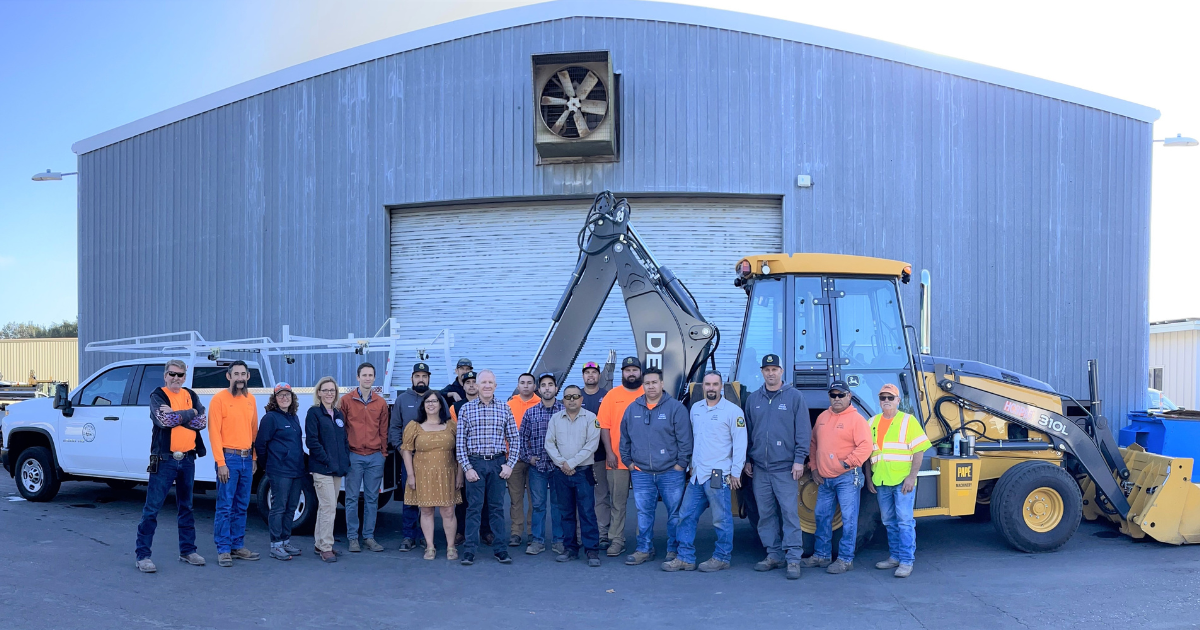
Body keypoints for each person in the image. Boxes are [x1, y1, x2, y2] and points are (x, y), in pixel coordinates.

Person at [664, 370, 746, 573]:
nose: (711, 388)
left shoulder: (733, 411)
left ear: (721, 386)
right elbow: (695, 439)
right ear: (702, 387)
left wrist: (736, 472)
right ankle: (685, 557)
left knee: (721, 519)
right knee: (685, 515)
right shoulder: (696, 409)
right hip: (698, 474)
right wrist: (692, 465)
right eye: (707, 384)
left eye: (715, 384)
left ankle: (722, 556)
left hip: (719, 474)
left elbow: (740, 443)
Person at [135, 360, 208, 573]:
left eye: (180, 375)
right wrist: (190, 412)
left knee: (186, 507)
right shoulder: (157, 396)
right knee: (152, 509)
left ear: (185, 377)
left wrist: (180, 413)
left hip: (187, 459)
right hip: (165, 460)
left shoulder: (190, 395)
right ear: (165, 376)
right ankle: (143, 556)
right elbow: (164, 421)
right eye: (172, 374)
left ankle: (188, 551)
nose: (176, 378)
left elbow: (202, 422)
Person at [743, 353, 811, 580]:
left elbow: (803, 431)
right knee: (766, 514)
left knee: (790, 513)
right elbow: (748, 433)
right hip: (761, 469)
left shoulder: (794, 397)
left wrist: (799, 460)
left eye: (774, 369)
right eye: (767, 370)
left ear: (781, 371)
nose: (771, 373)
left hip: (785, 469)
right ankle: (774, 554)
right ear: (762, 372)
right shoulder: (753, 399)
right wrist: (747, 459)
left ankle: (793, 559)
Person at [619, 367, 692, 566]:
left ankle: (673, 549)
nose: (651, 386)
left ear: (662, 384)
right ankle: (644, 549)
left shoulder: (676, 408)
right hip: (641, 472)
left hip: (671, 472)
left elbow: (685, 440)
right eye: (647, 383)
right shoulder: (632, 409)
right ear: (643, 385)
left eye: (654, 382)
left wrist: (680, 465)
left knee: (674, 513)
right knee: (644, 513)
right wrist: (629, 463)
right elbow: (624, 438)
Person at [804, 379, 872, 574]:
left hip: (847, 478)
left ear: (849, 396)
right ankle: (822, 555)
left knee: (849, 519)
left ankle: (845, 559)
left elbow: (866, 446)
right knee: (821, 516)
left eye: (841, 395)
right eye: (833, 395)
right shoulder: (823, 417)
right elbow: (813, 443)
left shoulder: (857, 419)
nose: (837, 398)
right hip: (824, 479)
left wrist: (847, 463)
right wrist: (815, 467)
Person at [456, 369, 520, 565]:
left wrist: (509, 465)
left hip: (497, 463)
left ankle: (500, 549)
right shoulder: (466, 409)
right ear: (476, 385)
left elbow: (514, 440)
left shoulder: (504, 408)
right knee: (473, 508)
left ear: (495, 386)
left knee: (496, 508)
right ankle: (469, 550)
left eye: (490, 382)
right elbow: (460, 442)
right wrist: (467, 468)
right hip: (475, 463)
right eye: (483, 382)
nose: (486, 385)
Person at [866, 384, 930, 578]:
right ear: (879, 400)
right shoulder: (872, 422)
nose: (886, 401)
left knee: (904, 521)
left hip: (903, 482)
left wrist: (911, 477)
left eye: (890, 397)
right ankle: (894, 557)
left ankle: (906, 561)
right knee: (888, 521)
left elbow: (919, 450)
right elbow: (868, 455)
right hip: (882, 481)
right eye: (883, 397)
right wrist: (869, 479)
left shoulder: (908, 421)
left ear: (898, 400)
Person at [208, 360, 261, 567]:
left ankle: (237, 546)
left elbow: (254, 431)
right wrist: (220, 462)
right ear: (228, 377)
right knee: (225, 506)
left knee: (242, 504)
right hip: (228, 459)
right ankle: (223, 549)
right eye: (236, 374)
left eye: (243, 374)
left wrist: (254, 458)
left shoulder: (251, 400)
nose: (240, 377)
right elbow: (214, 433)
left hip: (247, 459)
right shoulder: (219, 400)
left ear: (248, 377)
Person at [401, 390, 464, 561]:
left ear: (440, 404)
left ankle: (451, 547)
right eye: (427, 402)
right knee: (426, 510)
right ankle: (430, 547)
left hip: (447, 473)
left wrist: (460, 475)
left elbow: (460, 452)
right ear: (423, 406)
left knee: (449, 511)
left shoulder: (451, 425)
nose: (431, 404)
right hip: (422, 474)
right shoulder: (413, 426)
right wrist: (410, 475)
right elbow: (406, 450)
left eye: (434, 401)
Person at [545, 384, 602, 566]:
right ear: (563, 400)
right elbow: (549, 444)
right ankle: (570, 549)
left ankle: (592, 550)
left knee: (587, 512)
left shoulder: (591, 418)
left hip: (583, 473)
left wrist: (572, 463)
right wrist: (563, 463)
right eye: (568, 397)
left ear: (581, 399)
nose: (571, 400)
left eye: (575, 396)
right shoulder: (555, 419)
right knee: (566, 513)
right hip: (561, 473)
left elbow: (591, 445)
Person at [596, 356, 644, 558]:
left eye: (634, 370)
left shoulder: (649, 393)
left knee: (644, 504)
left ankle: (644, 542)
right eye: (627, 370)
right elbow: (603, 426)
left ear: (640, 372)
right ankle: (616, 540)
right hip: (616, 459)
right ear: (622, 373)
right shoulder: (611, 395)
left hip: (644, 461)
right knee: (617, 503)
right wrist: (609, 453)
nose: (631, 374)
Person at [340, 362, 390, 553]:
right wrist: (346, 455)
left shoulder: (380, 402)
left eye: (371, 375)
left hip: (375, 457)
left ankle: (369, 537)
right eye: (364, 375)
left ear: (374, 378)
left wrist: (383, 454)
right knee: (351, 498)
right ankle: (353, 538)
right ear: (357, 377)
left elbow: (383, 430)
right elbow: (341, 430)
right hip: (354, 455)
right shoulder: (346, 401)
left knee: (372, 499)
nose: (367, 378)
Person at [254, 383, 306, 561]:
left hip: (296, 470)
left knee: (291, 507)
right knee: (278, 507)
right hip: (279, 470)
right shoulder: (270, 418)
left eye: (288, 395)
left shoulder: (293, 417)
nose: (285, 398)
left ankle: (285, 540)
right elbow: (261, 444)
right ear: (274, 399)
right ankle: (275, 544)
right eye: (280, 395)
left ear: (292, 398)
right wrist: (267, 465)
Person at [518, 373, 564, 556]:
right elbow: (522, 438)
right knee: (538, 505)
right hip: (538, 467)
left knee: (558, 505)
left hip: (559, 466)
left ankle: (559, 541)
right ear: (539, 389)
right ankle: (537, 541)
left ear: (556, 389)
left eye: (550, 385)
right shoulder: (530, 412)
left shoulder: (564, 410)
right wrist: (528, 457)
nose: (547, 388)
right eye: (543, 385)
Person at [389, 362, 433, 552]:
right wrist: (401, 449)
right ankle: (409, 536)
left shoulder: (436, 398)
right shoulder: (402, 400)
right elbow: (394, 428)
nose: (421, 379)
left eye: (424, 376)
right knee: (410, 497)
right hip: (409, 457)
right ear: (412, 378)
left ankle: (425, 536)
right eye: (417, 376)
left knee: (429, 498)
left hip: (432, 458)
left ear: (428, 378)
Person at [305, 376, 349, 563]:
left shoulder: (338, 414)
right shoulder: (314, 413)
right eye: (326, 390)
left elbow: (343, 441)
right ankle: (326, 547)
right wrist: (327, 460)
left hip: (337, 469)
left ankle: (319, 543)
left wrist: (344, 461)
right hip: (322, 468)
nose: (329, 393)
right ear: (319, 393)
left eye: (332, 390)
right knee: (329, 507)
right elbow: (312, 442)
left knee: (326, 507)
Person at [452, 371, 492, 546]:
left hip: (482, 457)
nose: (470, 385)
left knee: (485, 499)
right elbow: (456, 436)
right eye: (467, 382)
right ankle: (461, 531)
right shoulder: (456, 407)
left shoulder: (487, 404)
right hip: (462, 458)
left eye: (474, 382)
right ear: (463, 385)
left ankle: (486, 531)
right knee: (462, 498)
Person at [580, 361, 612, 549]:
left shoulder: (606, 396)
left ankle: (602, 534)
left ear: (599, 376)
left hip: (600, 455)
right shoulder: (576, 396)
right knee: (581, 496)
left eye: (594, 372)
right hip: (579, 457)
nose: (590, 375)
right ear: (583, 376)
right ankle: (581, 534)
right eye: (587, 372)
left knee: (601, 496)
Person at [506, 372, 539, 547]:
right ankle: (516, 532)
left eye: (529, 383)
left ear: (534, 386)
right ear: (518, 386)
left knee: (535, 498)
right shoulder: (509, 405)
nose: (526, 386)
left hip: (535, 459)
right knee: (515, 498)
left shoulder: (541, 404)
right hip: (515, 458)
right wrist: (507, 452)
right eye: (522, 383)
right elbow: (502, 431)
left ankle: (533, 532)